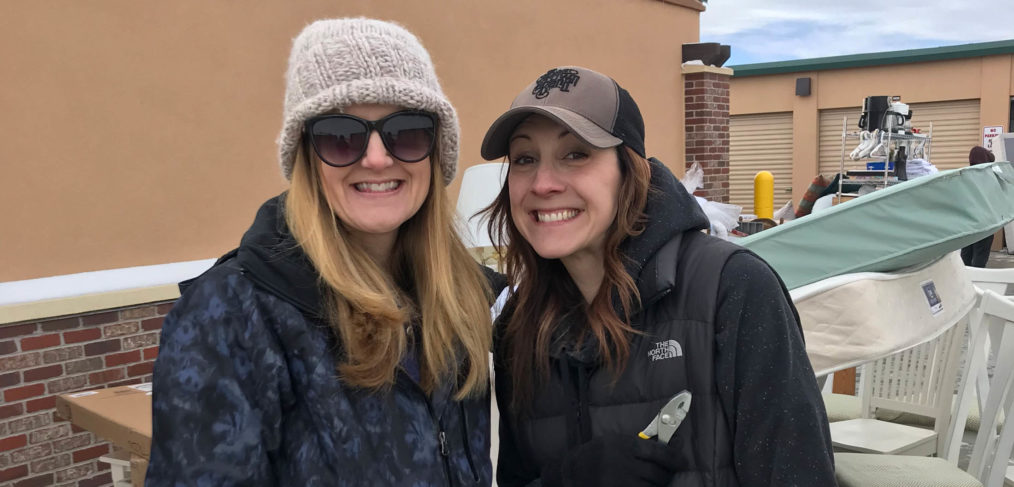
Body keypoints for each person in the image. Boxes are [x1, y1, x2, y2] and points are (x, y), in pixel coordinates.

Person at [146, 18, 500, 486]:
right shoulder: (232, 316)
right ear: (307, 158)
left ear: (436, 153)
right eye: (341, 136)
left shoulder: (462, 298)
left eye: (407, 131)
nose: (376, 157)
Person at [481, 66, 836, 487]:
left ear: (630, 170)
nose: (542, 183)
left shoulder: (733, 290)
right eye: (524, 159)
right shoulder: (519, 328)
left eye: (576, 153)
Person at [961, 145, 997, 268]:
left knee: (966, 256)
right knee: (980, 257)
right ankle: (976, 283)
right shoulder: (990, 175)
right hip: (985, 222)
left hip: (968, 223)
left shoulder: (966, 175)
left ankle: (966, 281)